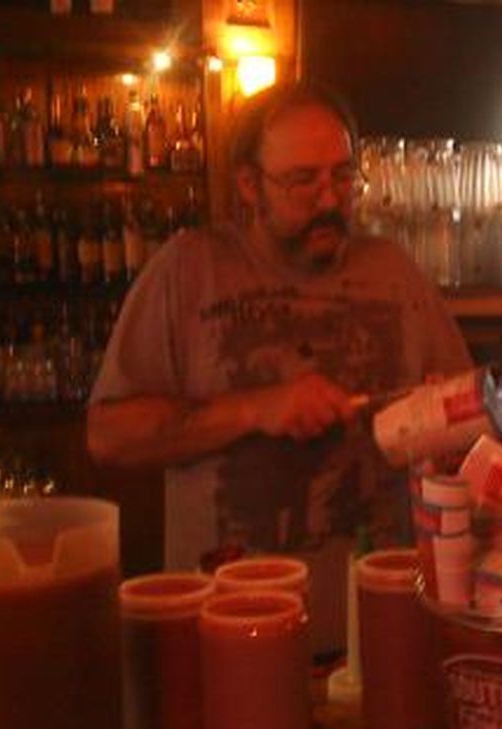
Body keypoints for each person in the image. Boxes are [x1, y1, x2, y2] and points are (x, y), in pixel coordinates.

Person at [86, 81, 472, 655]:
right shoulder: (189, 270)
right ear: (249, 185)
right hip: (231, 641)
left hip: (383, 633)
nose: (328, 200)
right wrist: (256, 408)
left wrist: (447, 429)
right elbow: (108, 437)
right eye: (302, 181)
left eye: (343, 177)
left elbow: (466, 426)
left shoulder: (395, 271)